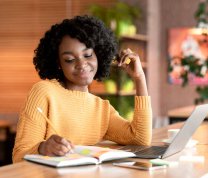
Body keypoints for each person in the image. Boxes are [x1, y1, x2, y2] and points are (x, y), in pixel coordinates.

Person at [12, 15, 152, 163]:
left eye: (87, 55)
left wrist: (139, 78)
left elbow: (140, 139)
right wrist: (43, 148)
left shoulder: (101, 108)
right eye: (69, 59)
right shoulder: (44, 92)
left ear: (99, 55)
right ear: (59, 63)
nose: (81, 64)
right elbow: (19, 156)